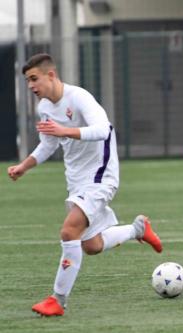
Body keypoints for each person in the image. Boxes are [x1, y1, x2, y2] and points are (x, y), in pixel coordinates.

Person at [7, 53, 163, 316]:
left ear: (51, 75)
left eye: (34, 79)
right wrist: (24, 166)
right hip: (77, 180)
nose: (31, 86)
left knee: (69, 232)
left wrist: (64, 130)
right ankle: (137, 229)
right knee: (91, 246)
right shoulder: (44, 107)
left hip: (101, 175)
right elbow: (49, 144)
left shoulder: (79, 98)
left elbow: (103, 129)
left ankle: (58, 300)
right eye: (27, 81)